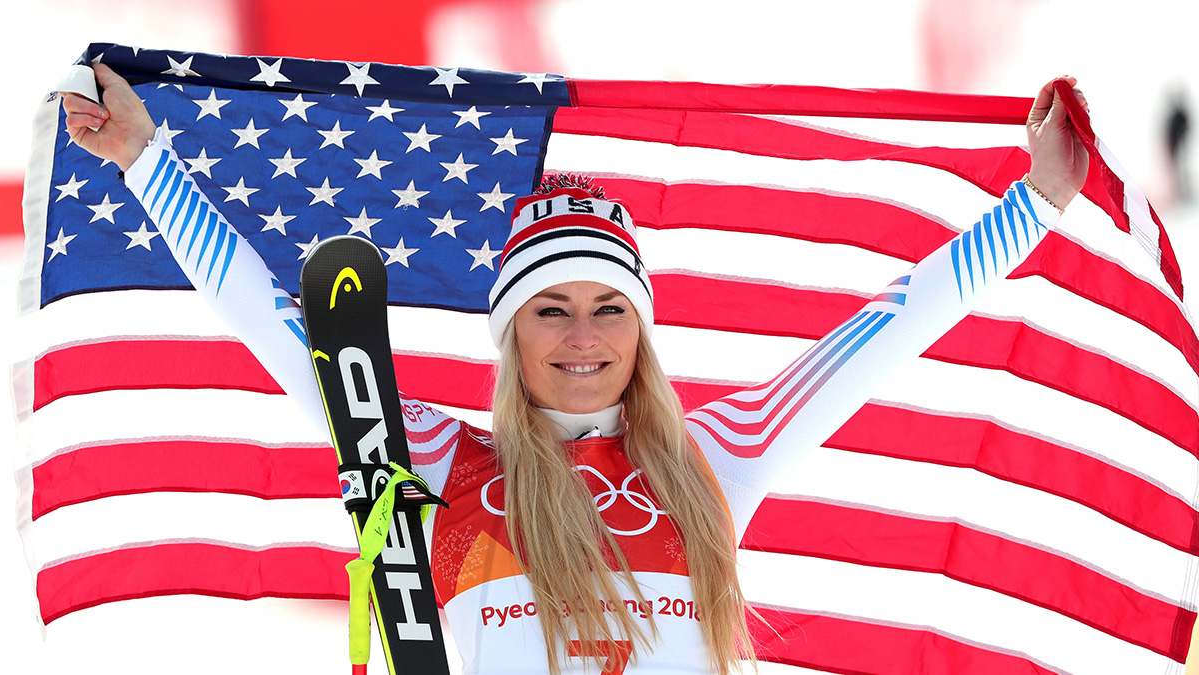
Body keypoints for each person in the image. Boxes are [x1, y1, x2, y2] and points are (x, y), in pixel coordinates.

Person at [63, 64, 1089, 675]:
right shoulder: (430, 456)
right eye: (549, 310)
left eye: (609, 310)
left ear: (642, 331)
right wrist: (145, 160)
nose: (583, 336)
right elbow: (286, 332)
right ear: (510, 334)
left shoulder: (718, 456)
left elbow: (890, 328)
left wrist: (1033, 204)